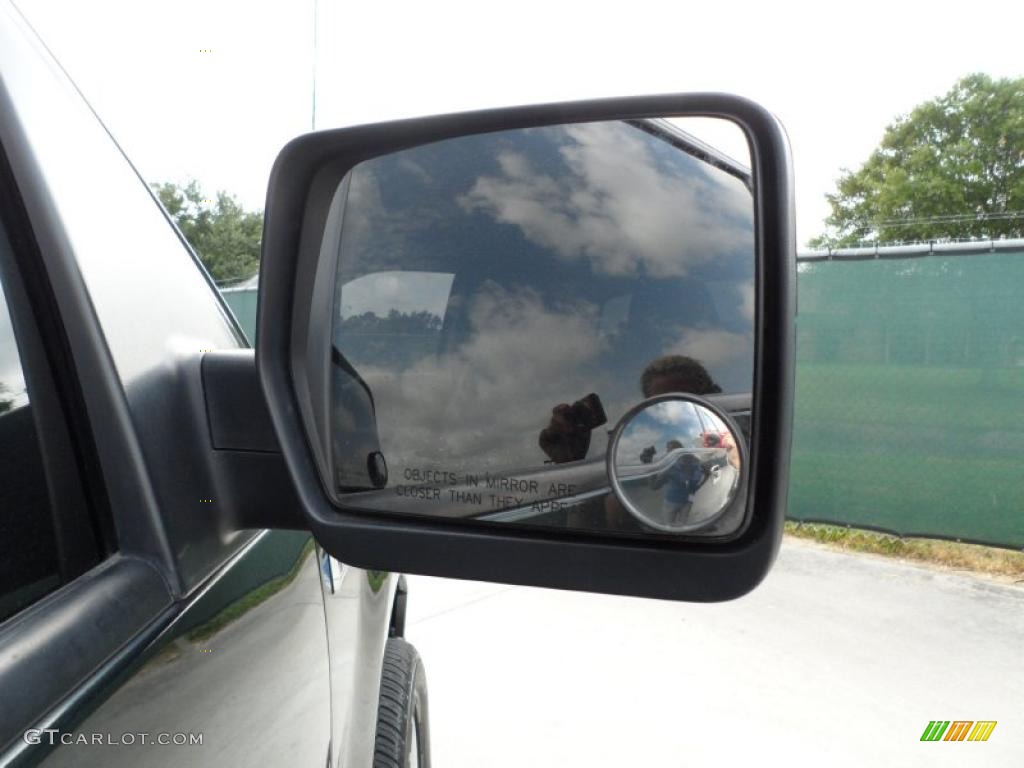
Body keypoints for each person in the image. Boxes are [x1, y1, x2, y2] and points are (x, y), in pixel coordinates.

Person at [650, 443, 706, 526]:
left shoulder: (671, 467)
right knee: (681, 524)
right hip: (686, 501)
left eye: (669, 450)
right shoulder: (696, 463)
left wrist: (650, 464)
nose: (667, 453)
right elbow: (695, 485)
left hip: (674, 501)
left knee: (669, 525)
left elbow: (654, 486)